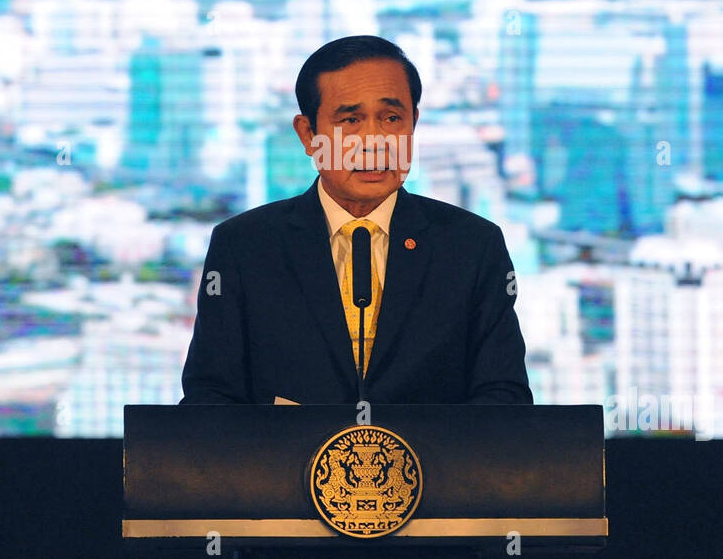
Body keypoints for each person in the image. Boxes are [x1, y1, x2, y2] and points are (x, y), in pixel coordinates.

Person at [179, 35, 532, 404]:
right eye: (350, 120)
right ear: (308, 134)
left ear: (413, 125)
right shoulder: (244, 247)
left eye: (392, 118)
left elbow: (504, 397)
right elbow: (210, 399)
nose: (373, 141)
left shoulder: (472, 246)